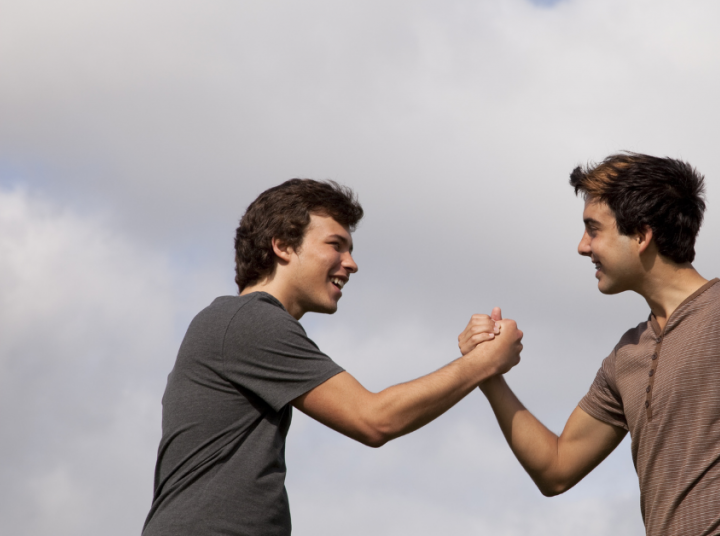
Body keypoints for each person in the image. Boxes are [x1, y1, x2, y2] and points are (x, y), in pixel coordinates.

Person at [458, 154, 720, 536]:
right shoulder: (625, 356)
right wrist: (485, 371)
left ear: (642, 236)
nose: (581, 246)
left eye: (593, 229)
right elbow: (556, 469)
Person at [142, 178, 523, 536]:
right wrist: (485, 362)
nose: (351, 263)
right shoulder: (250, 320)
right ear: (283, 246)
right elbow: (374, 419)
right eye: (336, 245)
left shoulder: (242, 323)